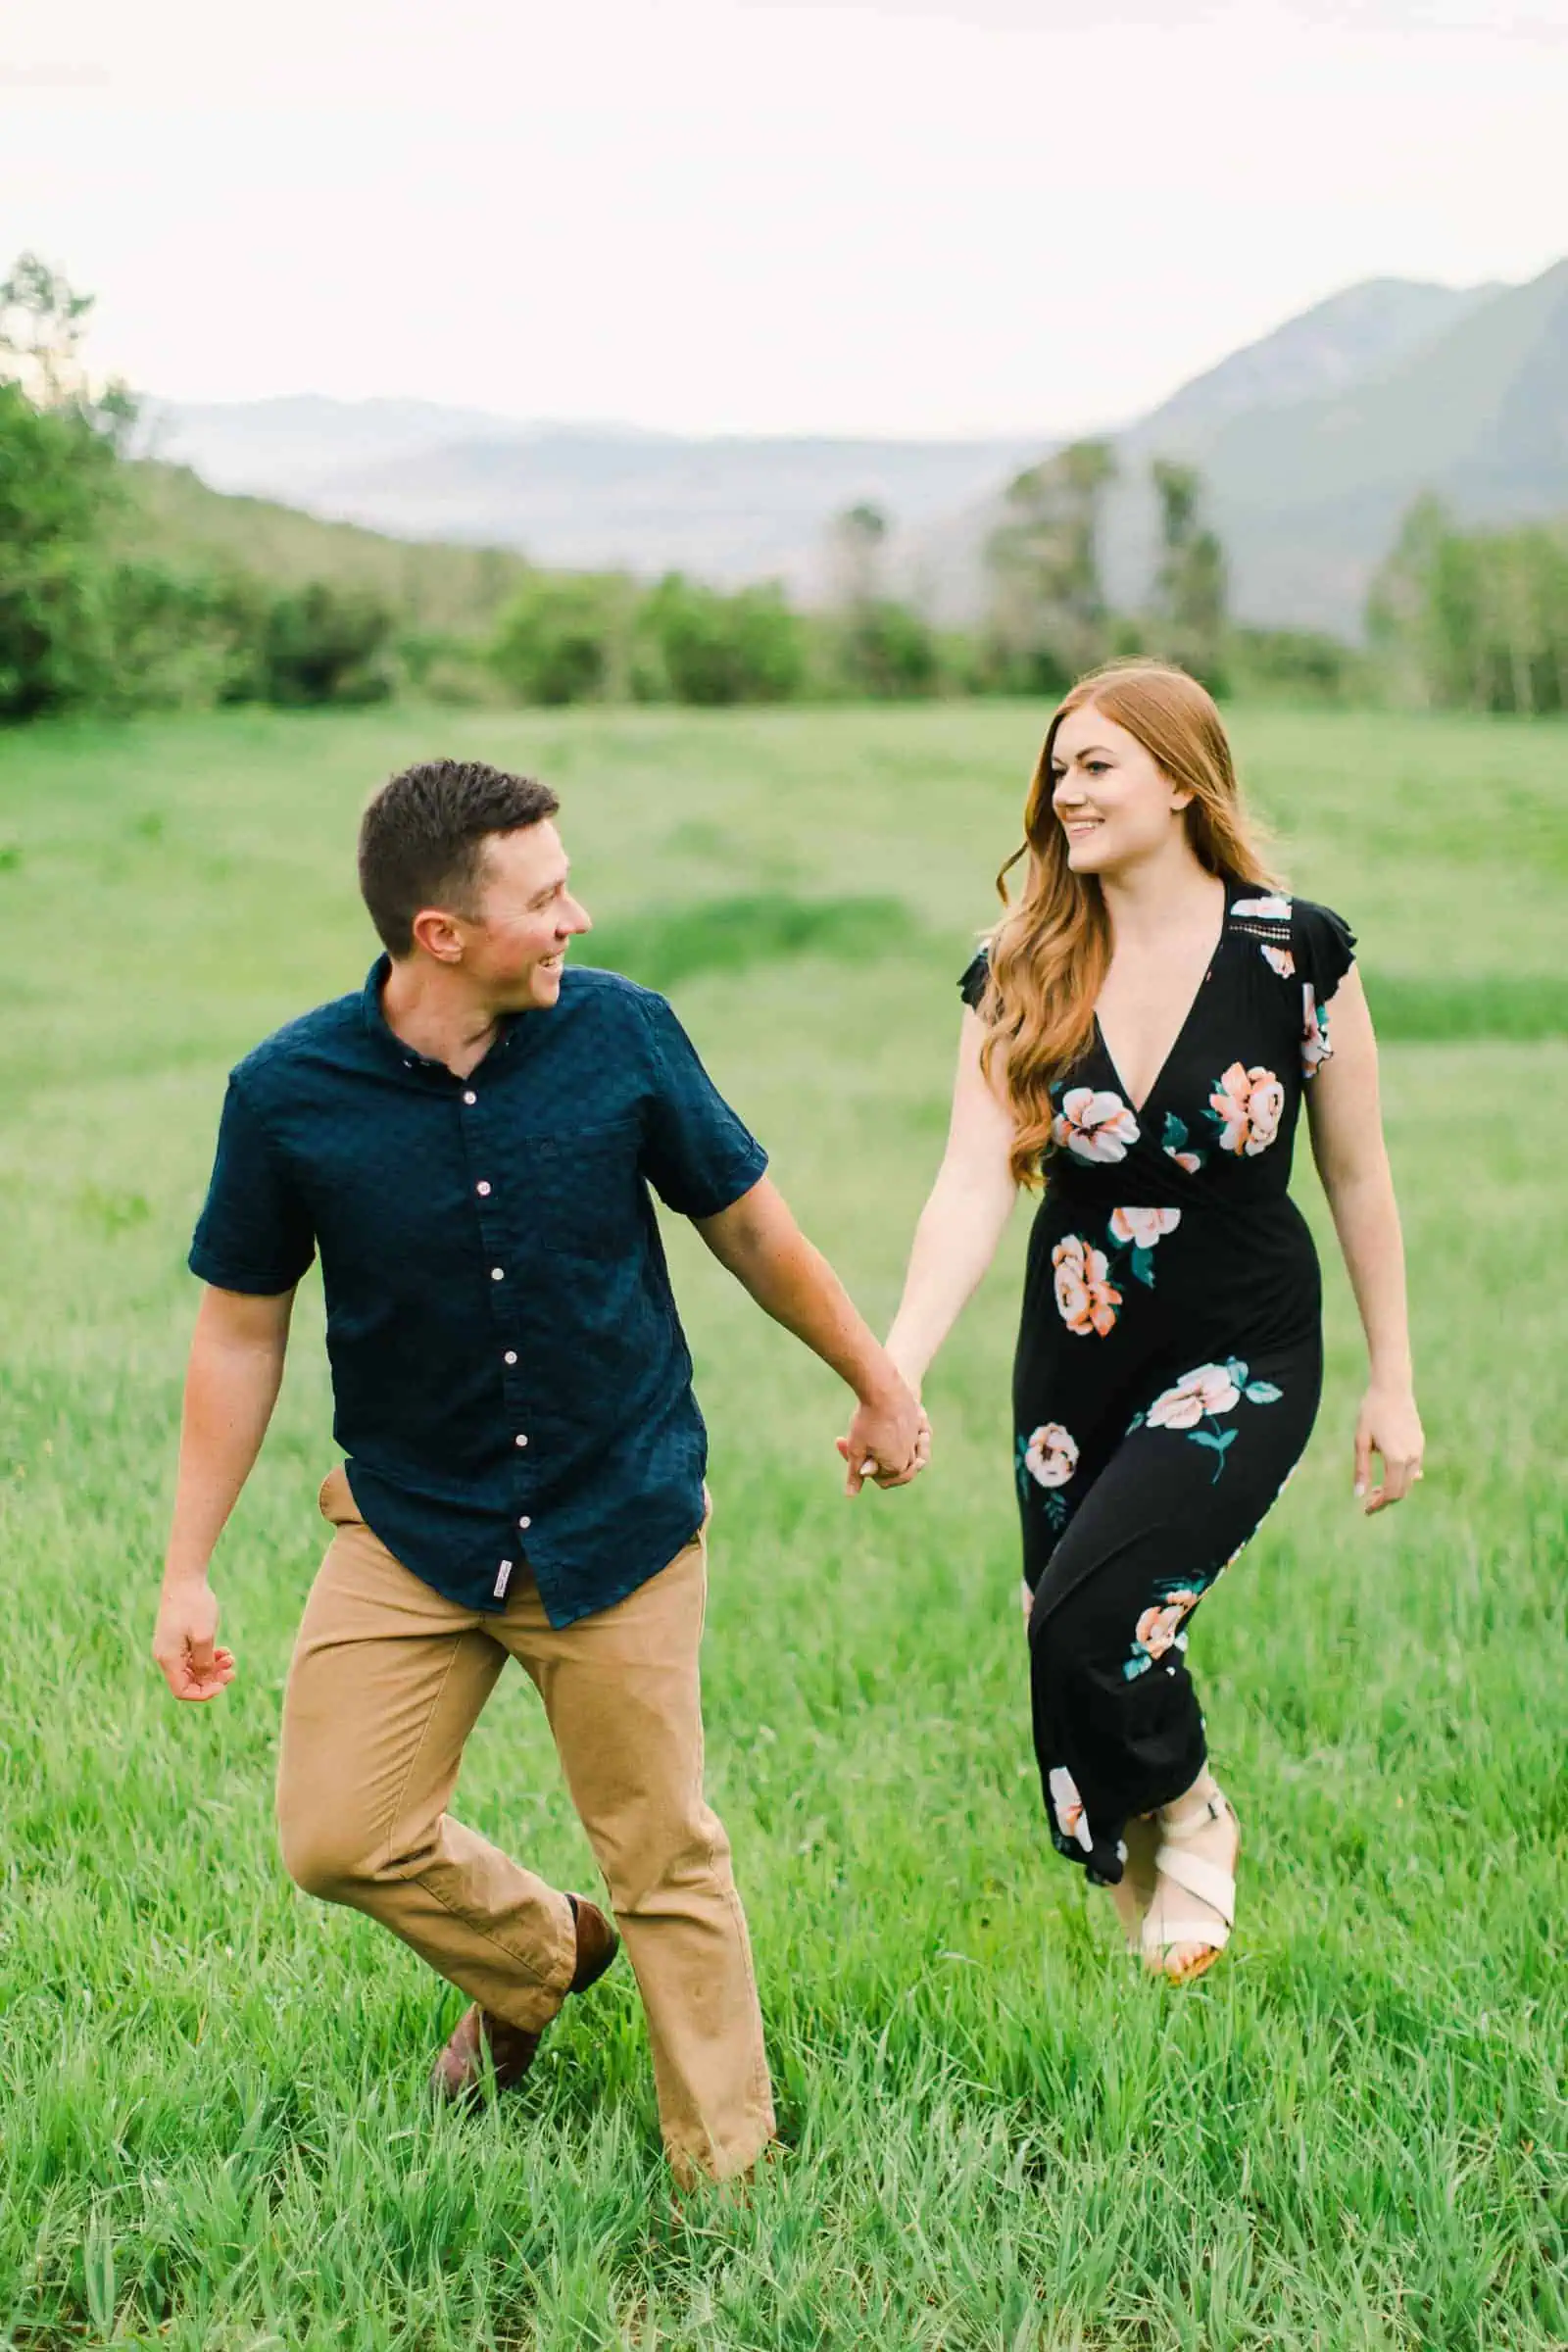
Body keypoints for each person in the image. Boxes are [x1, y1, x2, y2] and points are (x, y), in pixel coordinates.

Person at [152, 758, 927, 2188]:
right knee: (337, 1835)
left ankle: (730, 2179)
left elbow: (751, 1229)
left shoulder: (624, 1035)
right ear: (440, 933)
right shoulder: (286, 1095)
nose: (577, 915)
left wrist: (877, 1382)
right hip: (412, 1525)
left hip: (615, 1508)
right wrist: (187, 1565)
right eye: (544, 896)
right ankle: (540, 1954)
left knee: (665, 1858)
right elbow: (240, 1334)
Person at [870, 662, 1423, 1982]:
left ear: (1181, 780)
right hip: (1075, 1354)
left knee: (1097, 1616)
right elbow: (968, 1180)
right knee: (1054, 1621)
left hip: (1243, 1344)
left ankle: (1194, 1810)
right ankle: (1152, 1948)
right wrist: (897, 1361)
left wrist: (1392, 1381)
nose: (1067, 790)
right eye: (1057, 768)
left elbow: (1359, 1173)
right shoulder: (1022, 964)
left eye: (1098, 765)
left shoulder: (1295, 953)